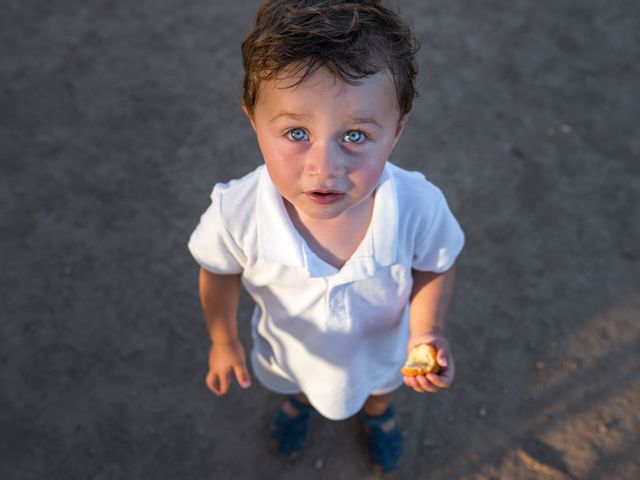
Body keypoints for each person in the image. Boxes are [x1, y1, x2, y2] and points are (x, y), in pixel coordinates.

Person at [188, 0, 464, 473]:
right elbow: (217, 270)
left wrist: (427, 330)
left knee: (379, 387)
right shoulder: (237, 213)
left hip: (383, 349)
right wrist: (222, 339)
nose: (325, 167)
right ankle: (302, 403)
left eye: (355, 136)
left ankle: (379, 416)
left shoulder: (417, 205)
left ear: (395, 132)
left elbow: (437, 263)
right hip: (292, 348)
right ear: (253, 118)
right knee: (299, 381)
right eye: (296, 132)